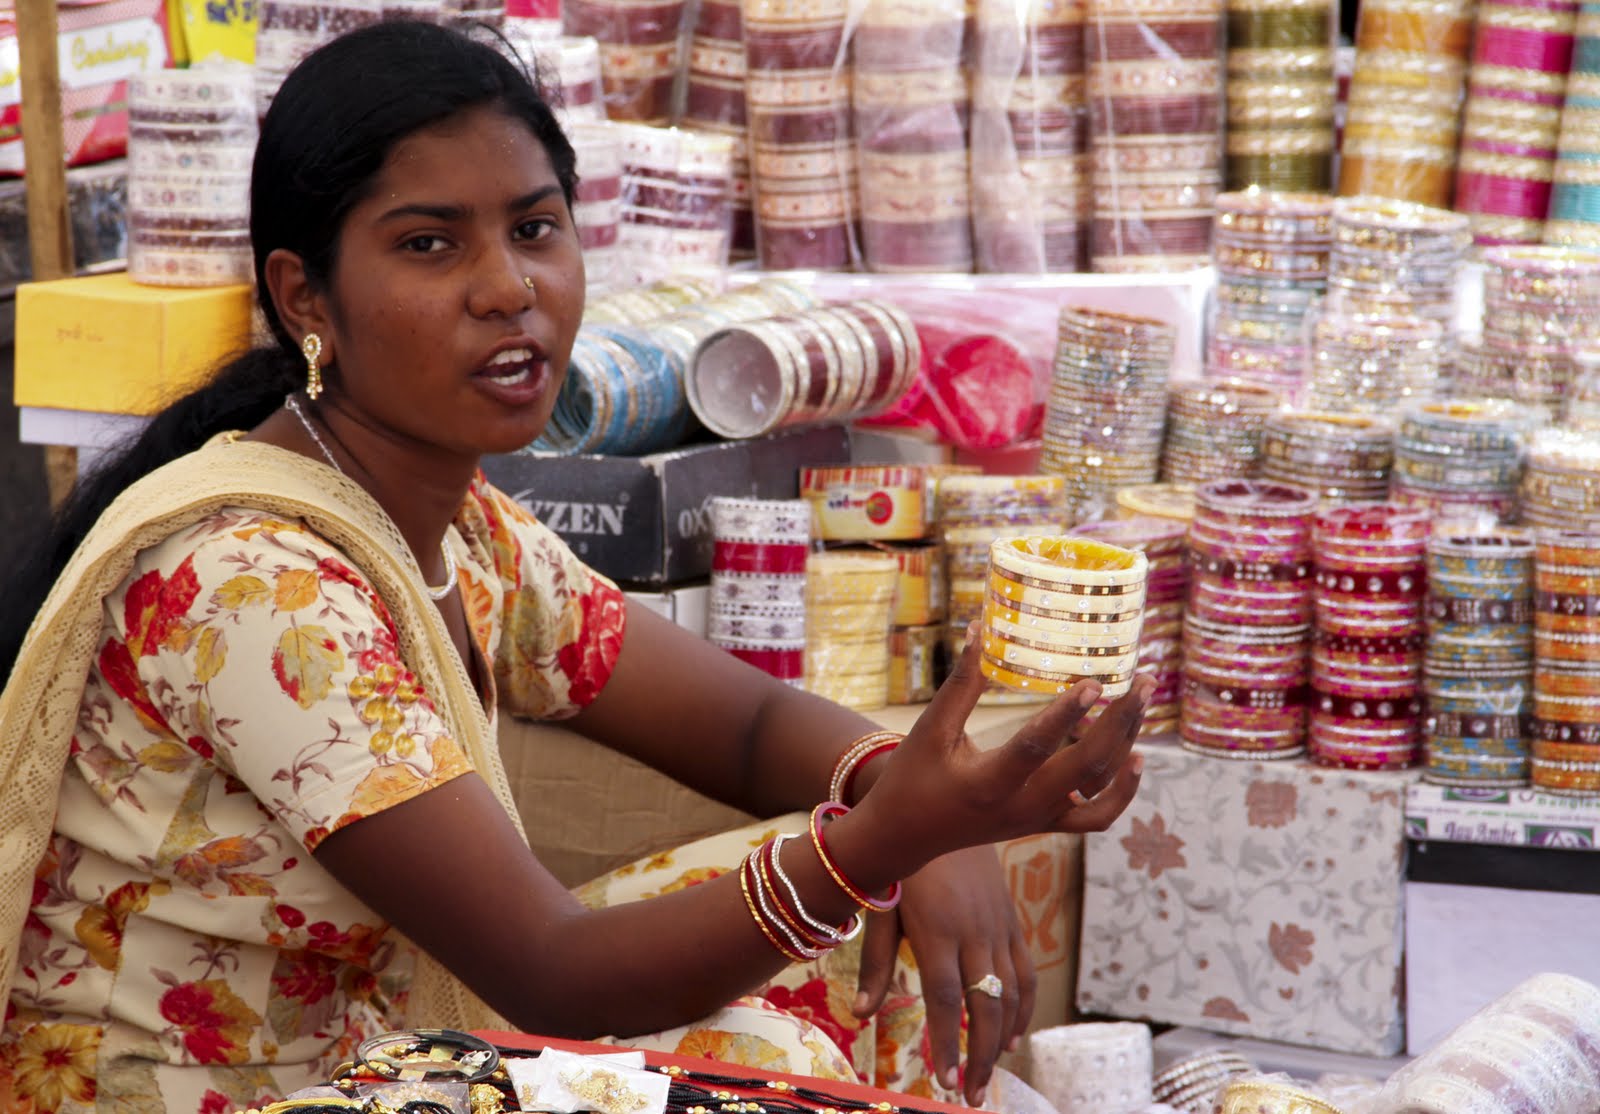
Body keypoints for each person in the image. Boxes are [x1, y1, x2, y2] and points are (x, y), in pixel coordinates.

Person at [0, 20, 1149, 1114]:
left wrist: (897, 795)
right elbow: (554, 971)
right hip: (212, 1092)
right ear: (307, 297)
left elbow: (746, 728)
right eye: (429, 243)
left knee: (850, 932)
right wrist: (894, 837)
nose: (509, 288)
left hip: (373, 1041)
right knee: (769, 1049)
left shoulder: (456, 524)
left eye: (536, 229)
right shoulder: (255, 585)